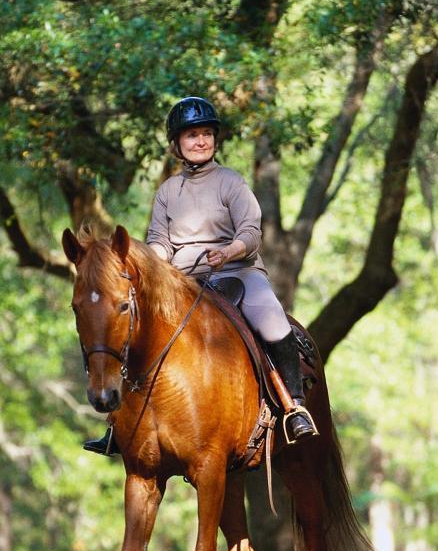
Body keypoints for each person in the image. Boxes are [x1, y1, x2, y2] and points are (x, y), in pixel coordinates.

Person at [85, 96, 318, 455]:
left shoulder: (232, 182)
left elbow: (251, 233)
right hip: (182, 281)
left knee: (272, 321)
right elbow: (158, 241)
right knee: (132, 326)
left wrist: (229, 251)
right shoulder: (167, 192)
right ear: (177, 144)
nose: (201, 141)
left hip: (237, 272)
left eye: (207, 134)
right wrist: (153, 264)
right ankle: (117, 424)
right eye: (192, 135)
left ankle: (294, 407)